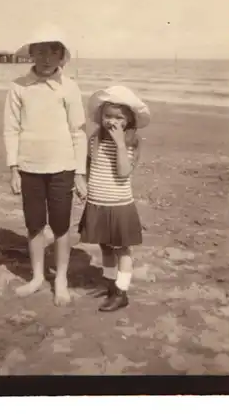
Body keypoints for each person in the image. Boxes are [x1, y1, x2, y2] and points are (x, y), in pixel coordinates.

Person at [4, 25, 87, 306]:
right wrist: (13, 167)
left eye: (53, 51)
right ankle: (38, 276)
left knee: (61, 226)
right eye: (40, 50)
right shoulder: (19, 86)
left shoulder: (69, 87)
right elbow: (11, 129)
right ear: (31, 53)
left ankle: (60, 279)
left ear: (61, 55)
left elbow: (78, 131)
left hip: (63, 166)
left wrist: (79, 173)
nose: (46, 57)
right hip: (29, 166)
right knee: (35, 224)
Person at [79, 85, 150, 312]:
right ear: (101, 116)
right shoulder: (95, 138)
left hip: (119, 204)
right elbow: (90, 165)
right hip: (98, 200)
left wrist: (119, 142)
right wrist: (84, 184)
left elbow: (123, 171)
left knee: (122, 249)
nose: (112, 121)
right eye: (108, 116)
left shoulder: (130, 142)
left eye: (119, 118)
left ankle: (122, 291)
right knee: (105, 247)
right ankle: (110, 284)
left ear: (129, 121)